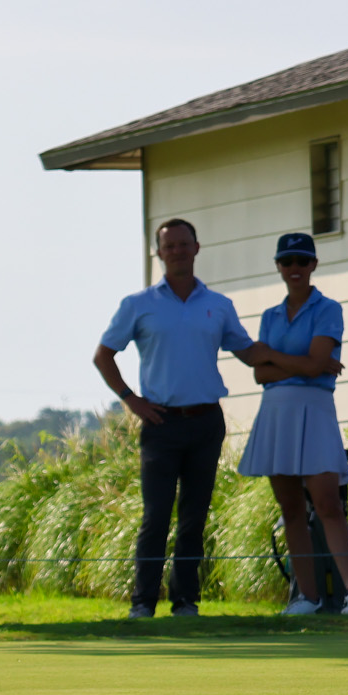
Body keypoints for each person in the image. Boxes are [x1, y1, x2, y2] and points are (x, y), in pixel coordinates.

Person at [95, 219, 269, 619]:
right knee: (156, 516)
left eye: (183, 244)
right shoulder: (137, 305)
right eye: (168, 246)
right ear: (158, 253)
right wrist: (130, 399)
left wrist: (303, 361)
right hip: (161, 423)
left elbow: (249, 352)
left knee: (194, 516)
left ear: (197, 248)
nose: (176, 251)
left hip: (206, 422)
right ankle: (142, 603)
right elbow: (104, 355)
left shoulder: (219, 305)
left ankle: (186, 602)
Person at [236, 233, 348, 616]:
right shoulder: (269, 316)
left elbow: (294, 364)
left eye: (301, 261)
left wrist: (275, 358)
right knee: (290, 508)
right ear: (279, 266)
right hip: (276, 414)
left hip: (315, 411)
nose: (294, 268)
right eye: (287, 261)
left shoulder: (328, 309)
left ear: (313, 265)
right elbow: (260, 375)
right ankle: (306, 597)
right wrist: (302, 363)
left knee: (328, 504)